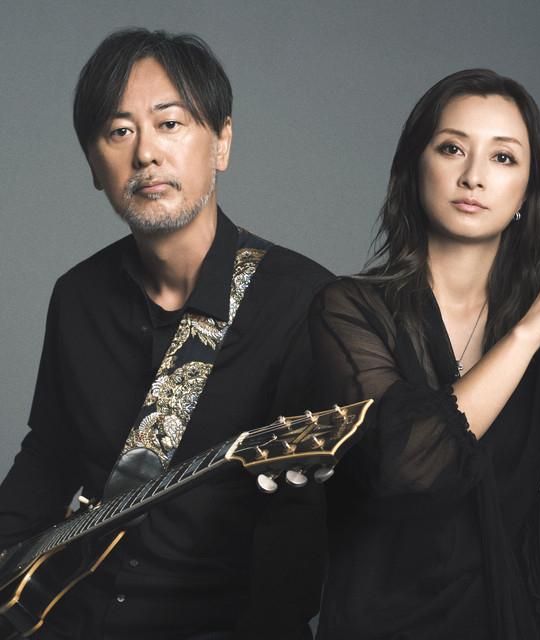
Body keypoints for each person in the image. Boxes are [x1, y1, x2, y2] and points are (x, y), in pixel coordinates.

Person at [0, 29, 333, 639]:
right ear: (93, 165)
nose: (146, 153)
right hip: (73, 616)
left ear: (221, 142)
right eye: (119, 131)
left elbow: (311, 528)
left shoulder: (305, 301)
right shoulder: (77, 296)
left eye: (170, 124)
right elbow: (49, 455)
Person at [310, 69, 540, 640]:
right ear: (415, 168)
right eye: (452, 148)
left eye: (503, 158)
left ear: (526, 193)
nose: (473, 176)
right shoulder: (349, 307)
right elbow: (409, 464)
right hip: (386, 619)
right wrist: (528, 334)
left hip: (515, 606)